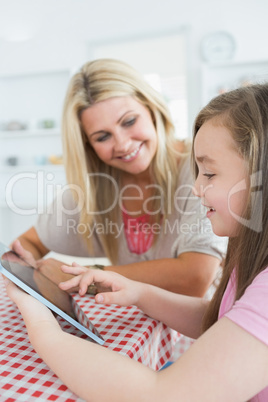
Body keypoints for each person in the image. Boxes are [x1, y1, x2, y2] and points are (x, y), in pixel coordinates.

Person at [5, 82, 268, 401]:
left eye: (209, 175)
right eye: (101, 136)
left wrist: (40, 324)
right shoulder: (249, 259)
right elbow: (221, 320)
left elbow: (163, 396)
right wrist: (139, 292)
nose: (196, 188)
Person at [11, 58, 226, 297]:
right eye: (102, 137)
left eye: (129, 121)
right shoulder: (95, 185)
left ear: (151, 109)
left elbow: (194, 278)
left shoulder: (200, 168)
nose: (123, 145)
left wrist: (90, 276)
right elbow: (28, 243)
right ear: (89, 146)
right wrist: (23, 265)